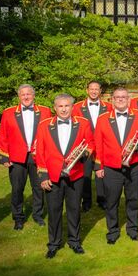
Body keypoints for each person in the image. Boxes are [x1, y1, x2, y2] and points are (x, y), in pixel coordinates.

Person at [34, 94, 93, 259]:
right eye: (60, 106)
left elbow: (90, 143)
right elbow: (40, 153)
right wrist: (43, 176)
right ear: (55, 108)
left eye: (67, 106)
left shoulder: (83, 123)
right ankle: (54, 243)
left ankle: (75, 241)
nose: (64, 109)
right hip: (52, 175)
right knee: (54, 211)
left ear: (72, 107)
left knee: (74, 210)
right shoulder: (44, 125)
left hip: (75, 174)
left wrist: (83, 155)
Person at [94, 88, 138, 243]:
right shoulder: (102, 119)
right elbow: (98, 144)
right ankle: (112, 231)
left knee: (132, 199)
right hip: (111, 168)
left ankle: (132, 229)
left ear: (129, 99)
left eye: (123, 97)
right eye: (117, 97)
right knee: (111, 201)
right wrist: (98, 167)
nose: (120, 99)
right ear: (112, 99)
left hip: (134, 166)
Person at [0, 84, 52, 230]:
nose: (26, 97)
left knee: (38, 188)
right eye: (23, 95)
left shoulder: (45, 111)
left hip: (38, 156)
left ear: (34, 95)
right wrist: (4, 156)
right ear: (19, 96)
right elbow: (3, 135)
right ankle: (18, 217)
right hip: (16, 157)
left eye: (29, 94)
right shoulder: (8, 113)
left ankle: (38, 215)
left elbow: (50, 134)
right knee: (17, 189)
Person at [72, 81, 111, 211]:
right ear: (87, 90)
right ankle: (86, 201)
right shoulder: (77, 107)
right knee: (85, 174)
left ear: (100, 91)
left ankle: (102, 199)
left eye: (96, 89)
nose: (94, 91)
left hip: (103, 145)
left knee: (101, 173)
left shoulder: (109, 107)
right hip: (85, 146)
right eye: (91, 89)